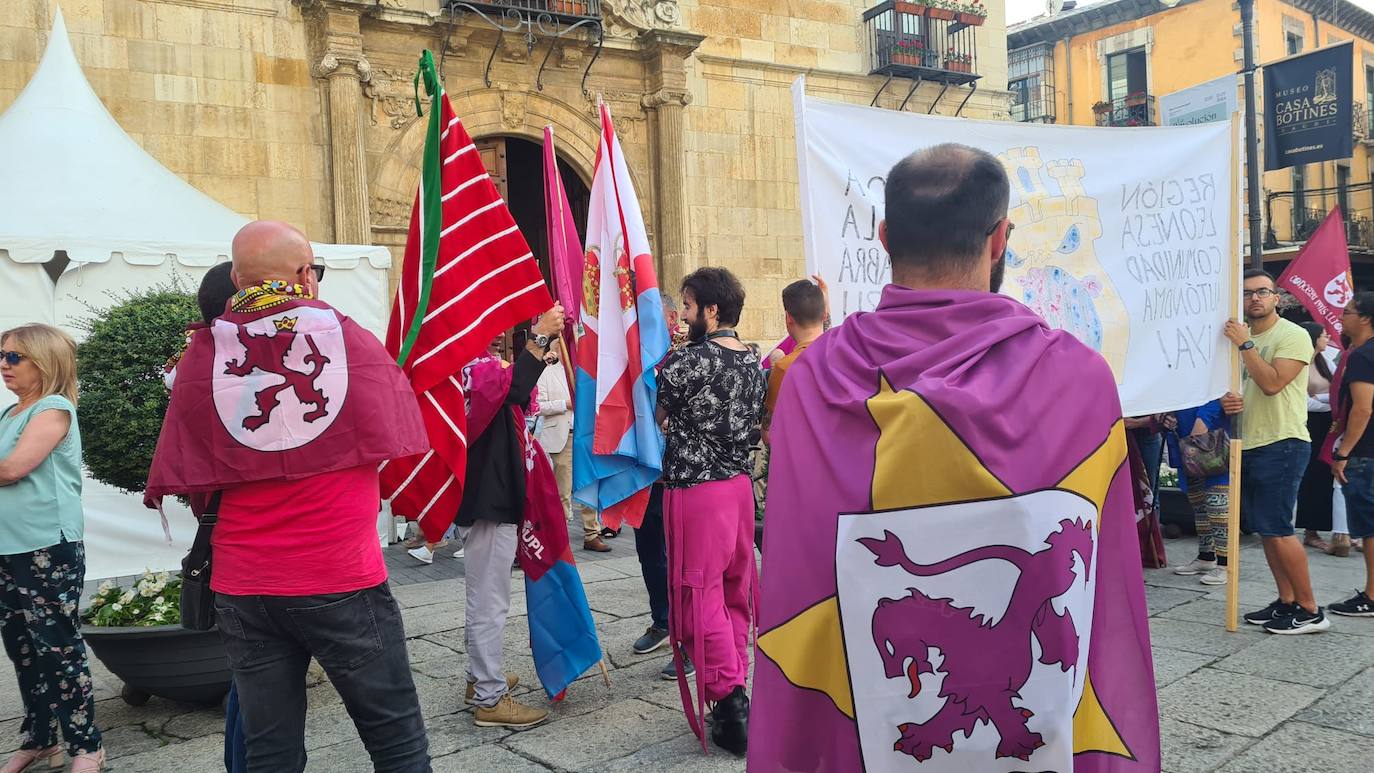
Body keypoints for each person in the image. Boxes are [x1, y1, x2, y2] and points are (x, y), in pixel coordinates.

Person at [750, 144, 1159, 771]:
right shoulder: (1078, 378)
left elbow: (801, 565)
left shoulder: (814, 379)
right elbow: (1105, 586)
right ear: (1000, 239)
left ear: (885, 237)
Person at [144, 221, 433, 771]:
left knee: (269, 749)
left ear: (235, 277)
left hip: (245, 583)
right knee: (395, 738)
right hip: (339, 575)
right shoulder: (347, 339)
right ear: (305, 276)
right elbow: (391, 433)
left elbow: (197, 478)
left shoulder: (200, 357)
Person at [657, 267, 766, 756]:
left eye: (687, 305)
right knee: (735, 589)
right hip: (740, 491)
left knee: (700, 596)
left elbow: (657, 418)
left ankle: (729, 699)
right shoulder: (754, 361)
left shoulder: (686, 363)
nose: (683, 314)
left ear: (711, 309)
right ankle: (736, 681)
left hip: (699, 493)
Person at [0, 324, 104, 773]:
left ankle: (87, 747)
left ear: (44, 361)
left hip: (46, 547)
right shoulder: (9, 414)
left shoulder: (54, 408)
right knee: (22, 648)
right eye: (1, 355)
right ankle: (41, 740)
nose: (3, 364)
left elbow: (13, 469)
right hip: (8, 547)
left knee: (58, 648)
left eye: (13, 357)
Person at [457, 303, 566, 728]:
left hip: (490, 490)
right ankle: (489, 696)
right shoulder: (477, 369)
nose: (501, 331)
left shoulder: (476, 367)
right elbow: (515, 389)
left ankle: (479, 677)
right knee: (489, 597)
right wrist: (539, 336)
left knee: (483, 592)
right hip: (488, 493)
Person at [1226, 269, 1328, 634]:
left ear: (1276, 299)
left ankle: (1311, 608)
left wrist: (1245, 346)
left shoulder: (1293, 335)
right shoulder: (1240, 340)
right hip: (1250, 441)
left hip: (1282, 441)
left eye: (1263, 292)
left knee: (1280, 529)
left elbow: (1271, 383)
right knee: (1268, 530)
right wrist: (1231, 399)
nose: (1255, 298)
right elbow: (1244, 388)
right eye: (1248, 293)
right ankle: (1286, 601)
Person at [631, 293, 695, 683]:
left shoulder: (685, 359)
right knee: (649, 553)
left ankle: (688, 640)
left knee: (682, 562)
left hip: (680, 474)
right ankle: (662, 620)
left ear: (672, 319)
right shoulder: (635, 360)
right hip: (644, 476)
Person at [535, 343, 608, 553]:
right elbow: (537, 406)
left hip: (585, 436)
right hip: (562, 436)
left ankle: (592, 533)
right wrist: (565, 404)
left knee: (589, 485)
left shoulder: (586, 371)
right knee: (562, 490)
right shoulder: (547, 372)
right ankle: (561, 536)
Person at [1328, 292, 1374, 616]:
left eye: (1348, 312)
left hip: (1366, 452)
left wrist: (1343, 452)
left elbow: (1363, 408)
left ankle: (1372, 595)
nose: (1342, 317)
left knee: (1370, 527)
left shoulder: (1363, 357)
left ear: (1365, 318)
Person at [1168, 400, 1234, 586]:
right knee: (1199, 503)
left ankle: (1225, 564)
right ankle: (1206, 556)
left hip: (1212, 437)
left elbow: (1219, 388)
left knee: (1218, 503)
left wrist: (1204, 418)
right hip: (1186, 436)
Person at [762, 279, 826, 444]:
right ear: (824, 315)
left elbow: (769, 434)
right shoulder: (846, 356)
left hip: (802, 459)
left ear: (788, 318)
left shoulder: (784, 368)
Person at [1297, 322, 1342, 553]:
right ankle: (1310, 530)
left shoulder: (1323, 362)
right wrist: (1327, 407)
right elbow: (1301, 400)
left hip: (1327, 425)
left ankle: (1327, 527)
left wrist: (1327, 402)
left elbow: (1331, 392)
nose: (1327, 339)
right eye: (1324, 336)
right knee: (1311, 475)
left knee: (1325, 475)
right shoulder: (1302, 363)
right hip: (1310, 425)